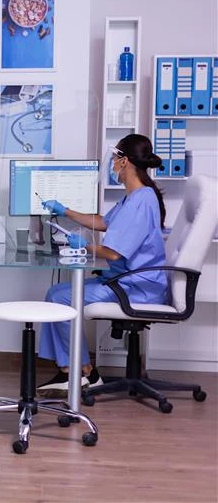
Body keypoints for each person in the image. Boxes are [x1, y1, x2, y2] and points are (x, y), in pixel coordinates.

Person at [37, 133, 168, 396]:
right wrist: (65, 210)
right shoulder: (135, 196)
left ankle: (84, 372)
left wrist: (82, 246)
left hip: (136, 287)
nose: (112, 164)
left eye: (115, 158)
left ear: (125, 161)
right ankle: (72, 370)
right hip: (124, 280)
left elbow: (113, 254)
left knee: (60, 298)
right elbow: (103, 222)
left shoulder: (141, 200)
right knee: (56, 293)